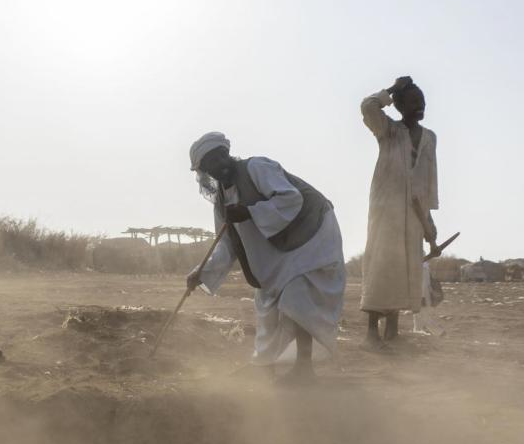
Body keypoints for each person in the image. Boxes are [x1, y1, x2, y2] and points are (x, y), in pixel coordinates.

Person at [186, 132, 346, 383]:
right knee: (267, 305)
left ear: (226, 153)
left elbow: (290, 198)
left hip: (312, 234)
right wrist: (201, 272)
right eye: (209, 166)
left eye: (218, 158)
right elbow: (226, 243)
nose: (217, 167)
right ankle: (264, 365)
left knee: (297, 295)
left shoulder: (257, 167)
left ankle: (305, 368)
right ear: (204, 171)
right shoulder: (221, 200)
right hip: (280, 250)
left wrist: (249, 212)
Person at [360, 76, 439, 347]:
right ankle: (371, 331)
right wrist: (392, 89)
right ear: (399, 106)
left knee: (405, 267)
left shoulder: (430, 138)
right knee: (382, 265)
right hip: (386, 208)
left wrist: (429, 224)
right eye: (414, 101)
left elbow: (429, 181)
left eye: (422, 101)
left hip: (414, 211)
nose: (420, 105)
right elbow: (368, 107)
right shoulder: (387, 130)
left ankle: (393, 330)